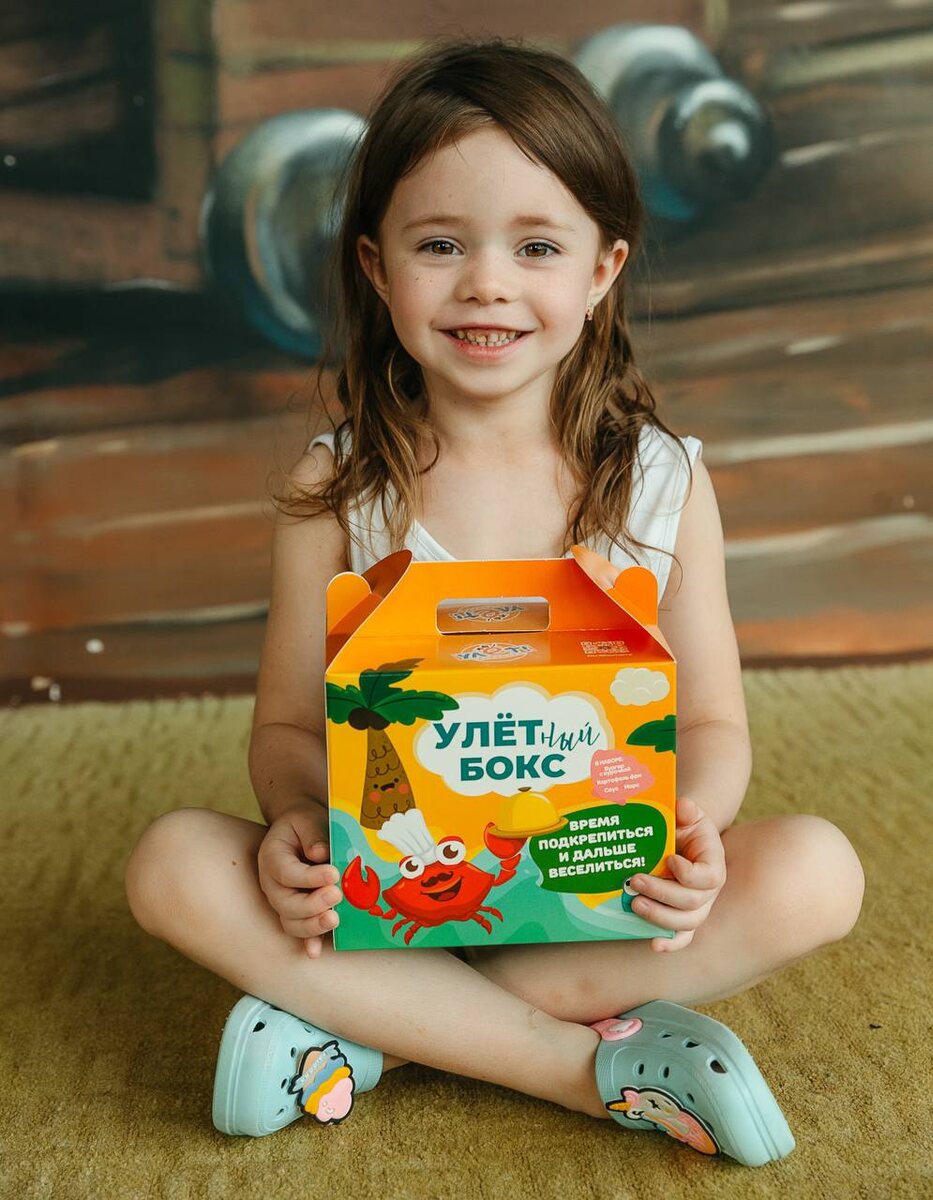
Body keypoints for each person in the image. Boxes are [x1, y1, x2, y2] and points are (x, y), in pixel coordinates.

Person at [125, 37, 864, 1166]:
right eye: (440, 244)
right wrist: (295, 822)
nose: (487, 283)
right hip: (389, 901)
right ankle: (582, 1067)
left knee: (820, 872)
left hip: (586, 902)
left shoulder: (662, 482)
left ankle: (366, 1033)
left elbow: (713, 724)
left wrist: (695, 829)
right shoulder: (339, 490)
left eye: (536, 246)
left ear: (603, 270)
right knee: (172, 862)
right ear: (376, 267)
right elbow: (286, 728)